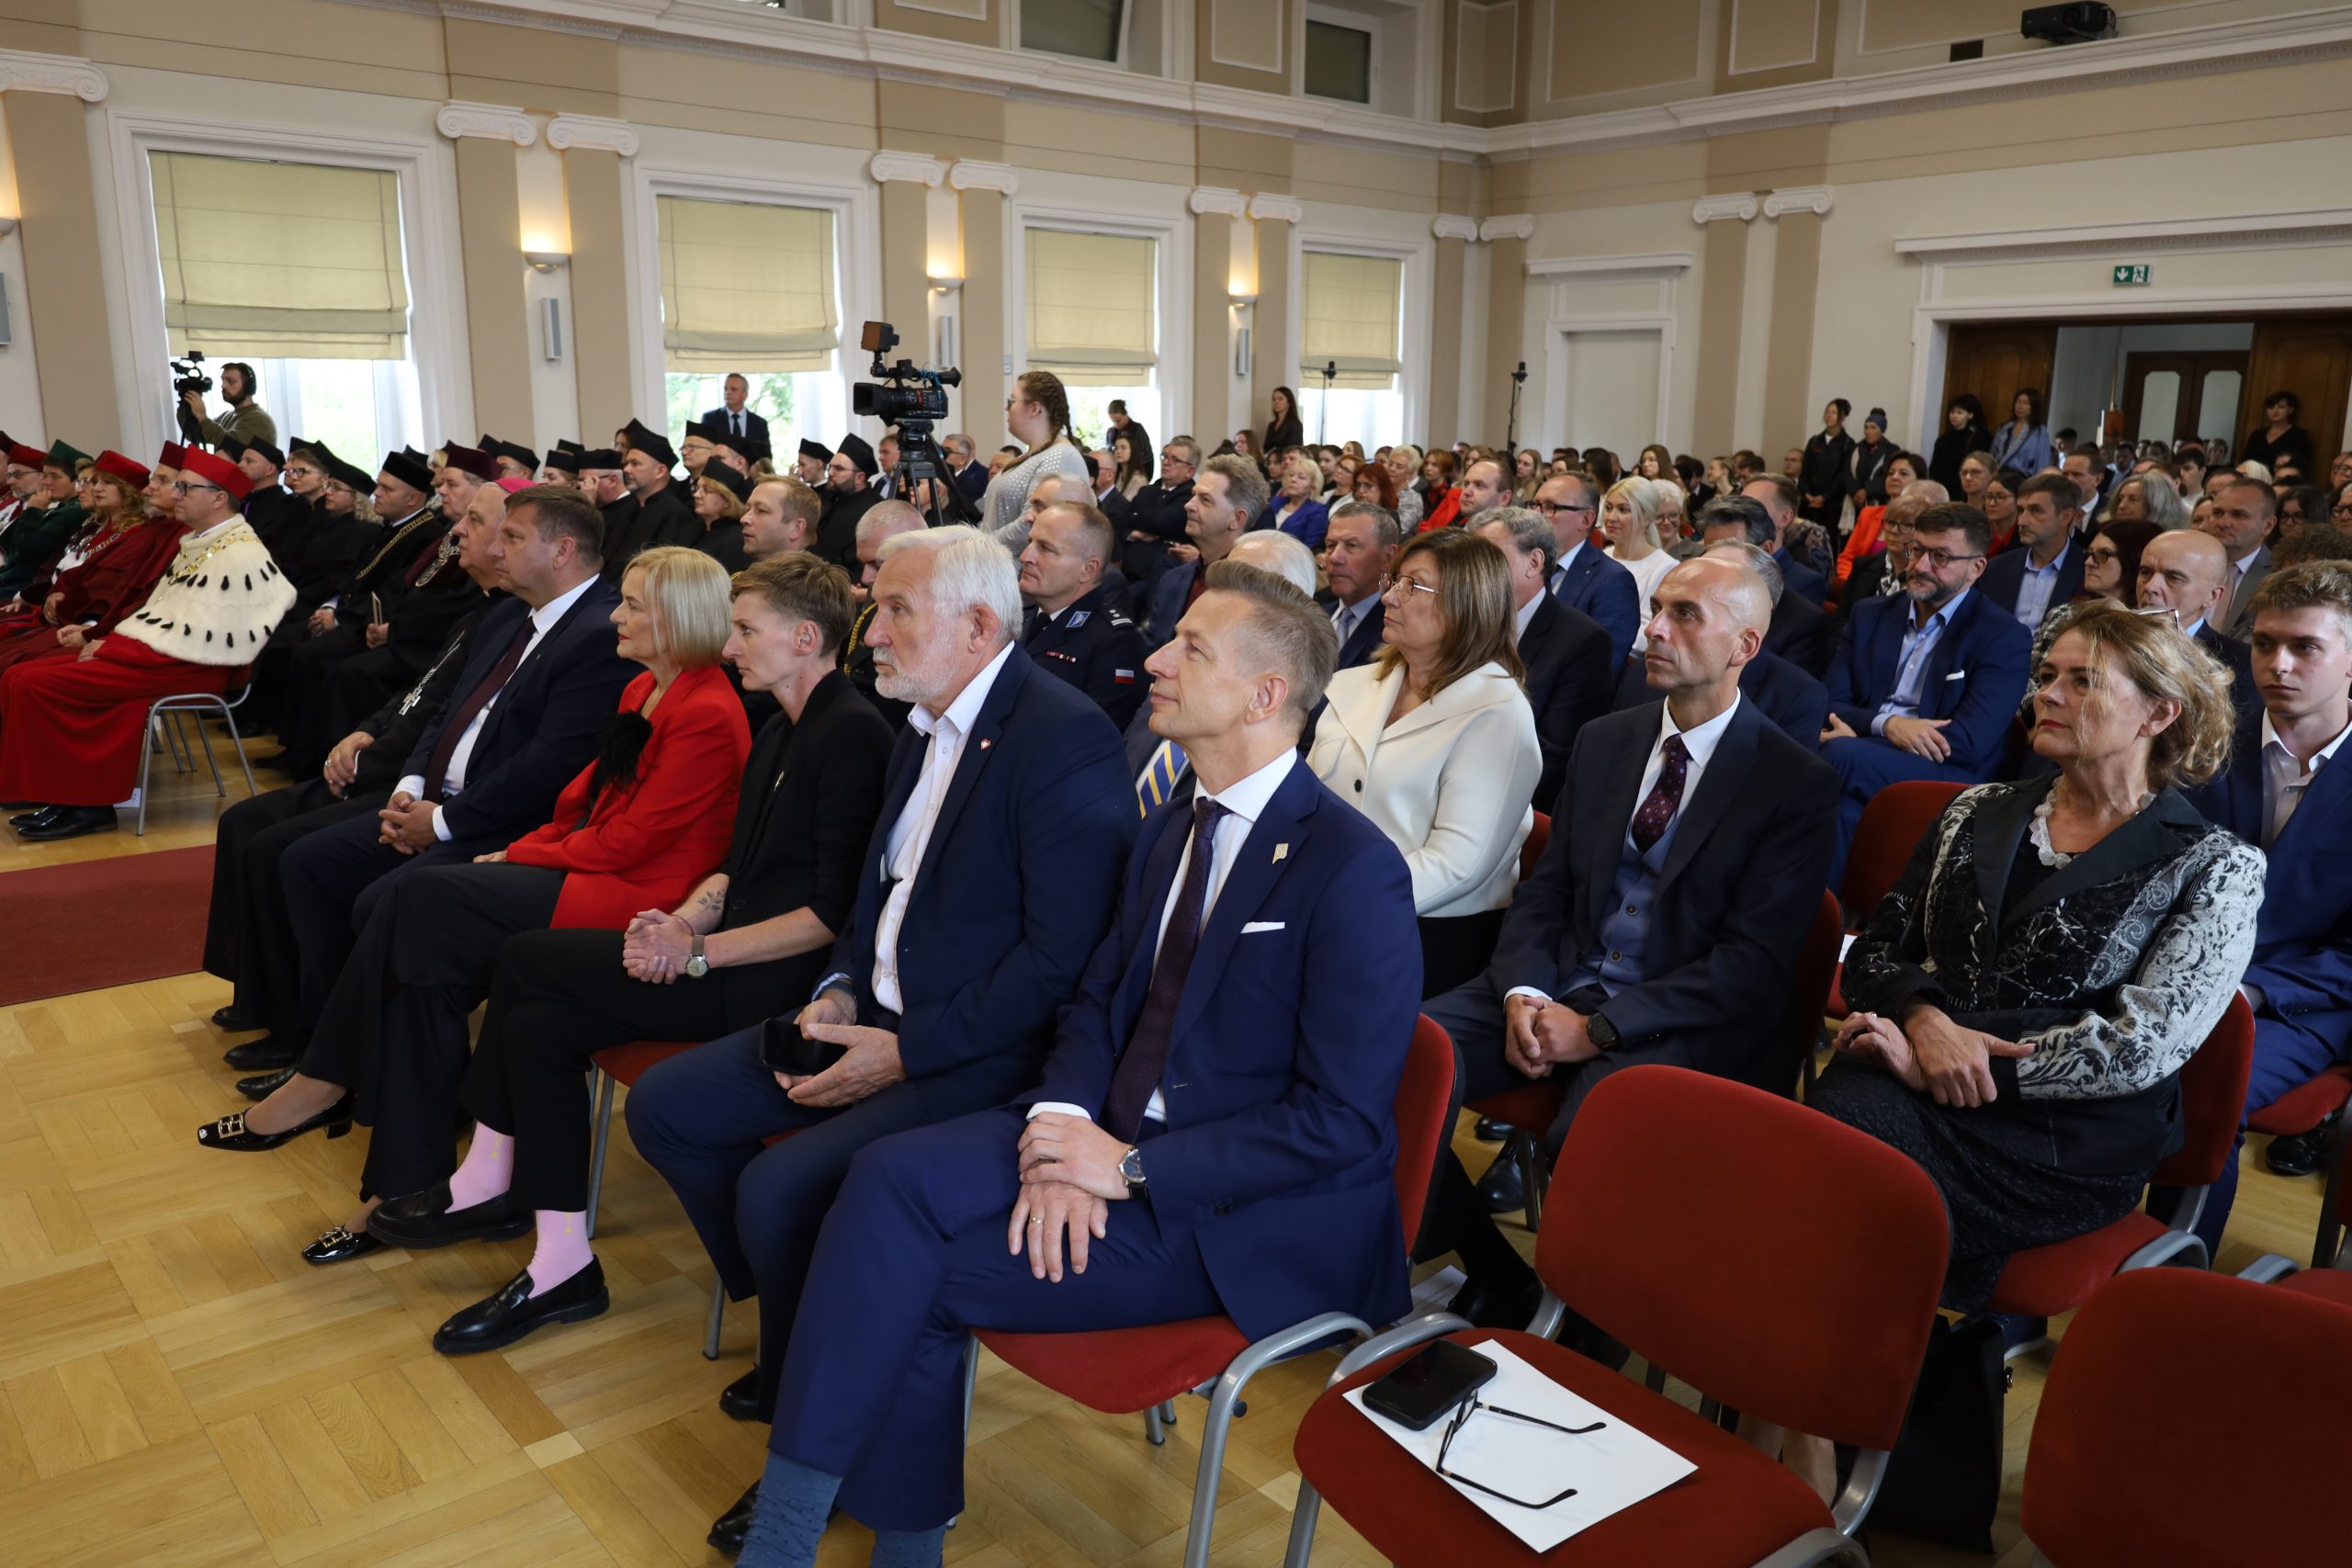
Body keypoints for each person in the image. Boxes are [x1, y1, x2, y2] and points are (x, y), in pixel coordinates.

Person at [724, 560, 1419, 1567]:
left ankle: (813, 1538)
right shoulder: (1171, 823)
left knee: (917, 1276)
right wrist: (1060, 1133)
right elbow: (1098, 1001)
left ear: (1264, 695)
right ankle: (820, 1530)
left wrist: (1127, 1169)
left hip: (1237, 1212)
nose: (1155, 660)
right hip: (1105, 1130)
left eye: (1191, 649)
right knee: (879, 1179)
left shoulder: (1351, 870)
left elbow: (1342, 1123)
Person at [624, 526, 1136, 1549]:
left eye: (897, 609)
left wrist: (905, 1049)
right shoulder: (923, 720)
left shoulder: (1061, 737)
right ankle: (817, 1344)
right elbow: (876, 894)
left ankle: (810, 1402)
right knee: (668, 1109)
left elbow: (1058, 962)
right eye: (877, 606)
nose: (873, 632)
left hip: (973, 1052)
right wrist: (837, 987)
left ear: (978, 626)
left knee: (780, 1192)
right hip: (870, 1011)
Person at [199, 549, 750, 1225]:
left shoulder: (707, 710)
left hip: (635, 894)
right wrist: (527, 847)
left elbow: (629, 843)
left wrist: (514, 851)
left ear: (676, 618)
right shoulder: (643, 688)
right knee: (424, 968)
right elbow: (581, 803)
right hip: (588, 866)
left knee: (414, 901)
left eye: (633, 606)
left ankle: (325, 1082)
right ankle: (402, 1178)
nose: (617, 616)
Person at [1420, 553, 1840, 1325]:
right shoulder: (1608, 739)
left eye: (1685, 615)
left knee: (1600, 1132)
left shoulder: (1794, 782)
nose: (1654, 630)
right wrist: (1523, 993)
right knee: (1389, 1058)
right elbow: (1548, 889)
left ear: (1744, 646)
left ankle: (1591, 1334)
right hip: (1560, 979)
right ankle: (1494, 1268)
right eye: (1657, 609)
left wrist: (1599, 1029)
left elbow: (1749, 964)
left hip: (1678, 1018)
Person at [1818, 602, 2258, 1314]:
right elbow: (1874, 948)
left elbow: (2141, 1047)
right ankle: (1851, 1366)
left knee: (1847, 1167)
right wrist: (1924, 1022)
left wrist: (1948, 1062)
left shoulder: (2216, 866)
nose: (2046, 694)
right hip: (1908, 1068)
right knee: (1831, 1141)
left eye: (2083, 680)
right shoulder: (1974, 809)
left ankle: (1834, 1368)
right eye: (2048, 675)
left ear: (2158, 713)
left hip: (2061, 1135)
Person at [257, 490, 635, 1070]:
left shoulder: (597, 633)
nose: (495, 549)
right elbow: (447, 712)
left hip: (507, 825)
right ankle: (321, 1046)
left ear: (562, 551)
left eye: (513, 537)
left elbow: (547, 768)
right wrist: (411, 787)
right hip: (437, 802)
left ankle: (364, 1069)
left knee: (383, 903)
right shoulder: (509, 613)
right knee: (308, 862)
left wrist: (440, 823)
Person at [200, 497, 506, 1055]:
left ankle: (305, 1030)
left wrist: (376, 762)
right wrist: (362, 732)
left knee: (281, 850)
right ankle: (262, 992)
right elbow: (421, 693)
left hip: (408, 783)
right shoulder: (486, 611)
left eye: (474, 521)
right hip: (390, 764)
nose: (456, 530)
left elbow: (446, 719)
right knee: (244, 821)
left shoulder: (506, 617)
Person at [0, 449, 292, 840]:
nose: (176, 494)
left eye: (185, 487)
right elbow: (160, 615)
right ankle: (65, 796)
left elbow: (197, 638)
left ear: (218, 498)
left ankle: (84, 805)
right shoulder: (201, 540)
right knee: (21, 675)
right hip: (164, 658)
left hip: (194, 667)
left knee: (35, 683)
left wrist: (111, 648)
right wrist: (108, 640)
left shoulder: (237, 553)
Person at [2186, 563, 2352, 1245]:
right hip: (2179, 968)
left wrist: (2250, 990)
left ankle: (2174, 1274)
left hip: (2304, 998)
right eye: (2264, 643)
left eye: (2305, 646)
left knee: (2204, 1088)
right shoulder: (2206, 741)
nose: (2278, 664)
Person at [1306, 529, 1538, 998]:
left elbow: (1457, 866)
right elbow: (1306, 798)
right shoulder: (1362, 682)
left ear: (1465, 605)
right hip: (1324, 901)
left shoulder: (1497, 712)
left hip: (1421, 932)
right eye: (1395, 580)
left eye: (1413, 586)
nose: (1389, 596)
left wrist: (1333, 902)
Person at [1821, 502, 2034, 881]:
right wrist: (1889, 726)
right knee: (1846, 812)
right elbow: (1830, 701)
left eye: (1941, 557)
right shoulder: (1871, 614)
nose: (1919, 566)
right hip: (1867, 752)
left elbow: (1969, 741)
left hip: (1952, 774)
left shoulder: (2003, 636)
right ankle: (1825, 913)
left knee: (1834, 753)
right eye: (1916, 549)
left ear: (1976, 568)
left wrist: (1865, 737)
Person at [1476, 508, 1613, 808]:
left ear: (1534, 562)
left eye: (1487, 559)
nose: (1473, 572)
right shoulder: (1465, 620)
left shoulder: (1582, 641)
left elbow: (1553, 756)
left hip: (1506, 801)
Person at [0, 452, 182, 673]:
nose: (95, 489)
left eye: (106, 483)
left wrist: (87, 622)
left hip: (91, 619)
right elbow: (61, 568)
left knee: (15, 663)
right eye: (94, 482)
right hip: (66, 612)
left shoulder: (144, 532)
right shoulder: (92, 524)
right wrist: (51, 594)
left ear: (127, 490)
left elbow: (114, 586)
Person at [1018, 500, 1147, 729]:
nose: (1026, 556)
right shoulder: (1021, 618)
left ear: (1088, 569)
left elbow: (1093, 735)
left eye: (1046, 548)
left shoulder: (1116, 643)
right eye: (1030, 543)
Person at [2133, 527, 2257, 724]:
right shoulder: (2105, 641)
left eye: (2173, 578)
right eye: (2145, 573)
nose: (2150, 586)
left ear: (2213, 596)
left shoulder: (2240, 664)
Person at [1143, 454, 1266, 650]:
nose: (1189, 505)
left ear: (1237, 519)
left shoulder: (1255, 592)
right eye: (1193, 495)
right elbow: (1151, 646)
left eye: (1205, 500)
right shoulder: (1174, 579)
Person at [1699, 494, 1833, 675]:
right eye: (1708, 552)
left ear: (1764, 551)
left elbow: (1783, 687)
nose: (1711, 564)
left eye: (1726, 553)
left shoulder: (1804, 621)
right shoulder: (1696, 601)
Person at [1533, 471, 1639, 664]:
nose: (1535, 515)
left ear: (1586, 520)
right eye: (1535, 505)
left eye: (1550, 507)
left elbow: (1601, 666)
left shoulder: (1612, 581)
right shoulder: (1529, 565)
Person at [982, 372, 1093, 550]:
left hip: (1017, 564)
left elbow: (1032, 526)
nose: (1006, 408)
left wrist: (980, 545)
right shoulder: (1035, 455)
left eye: (1012, 401)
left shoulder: (1060, 457)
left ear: (1035, 409)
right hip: (997, 560)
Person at [1981, 470, 2087, 630]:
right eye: (2021, 511)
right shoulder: (1997, 568)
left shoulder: (2087, 569)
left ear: (2065, 517)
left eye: (2036, 511)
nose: (2021, 521)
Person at [605, 422, 699, 574]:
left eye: (635, 464)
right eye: (627, 463)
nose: (626, 469)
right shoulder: (626, 508)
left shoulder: (675, 514)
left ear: (660, 471)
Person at [1323, 501, 1401, 672]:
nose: (1334, 557)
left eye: (1351, 545)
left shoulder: (1398, 630)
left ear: (1388, 557)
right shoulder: (1311, 616)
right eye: (1330, 545)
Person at [1600, 478, 1675, 649]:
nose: (1611, 517)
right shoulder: (1603, 556)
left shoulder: (1664, 568)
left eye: (1623, 510)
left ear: (1647, 518)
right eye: (1609, 508)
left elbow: (1645, 634)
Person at [1835, 454, 1923, 593]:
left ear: (1919, 481)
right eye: (1891, 473)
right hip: (1859, 590)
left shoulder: (1923, 520)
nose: (1894, 477)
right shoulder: (1868, 514)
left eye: (1903, 473)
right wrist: (1855, 585)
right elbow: (1847, 558)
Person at [2205, 477, 2278, 637]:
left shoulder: (2278, 576)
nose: (2223, 523)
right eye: (2217, 513)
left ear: (2268, 525)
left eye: (2238, 515)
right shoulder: (2188, 564)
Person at [183, 360, 276, 450]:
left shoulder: (259, 420)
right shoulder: (227, 416)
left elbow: (230, 445)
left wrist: (202, 417)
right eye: (223, 380)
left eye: (231, 381)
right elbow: (195, 435)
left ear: (248, 386)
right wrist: (186, 404)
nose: (223, 386)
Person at [1798, 399, 1855, 527]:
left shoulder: (1847, 443)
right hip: (1810, 501)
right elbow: (1805, 470)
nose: (1829, 415)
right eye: (1827, 412)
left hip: (1833, 504)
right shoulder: (1814, 441)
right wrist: (1807, 493)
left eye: (1834, 412)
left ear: (1842, 417)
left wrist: (1825, 497)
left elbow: (1843, 474)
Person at [2241, 390, 2313, 483]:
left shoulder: (2298, 434)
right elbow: (2246, 461)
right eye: (2271, 407)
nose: (2275, 411)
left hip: (2282, 481)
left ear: (2290, 410)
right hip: (2253, 480)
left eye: (2281, 407)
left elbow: (2296, 464)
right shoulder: (2257, 435)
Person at [1929, 393, 1994, 496]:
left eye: (1959, 413)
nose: (1954, 416)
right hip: (1942, 487)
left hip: (1965, 487)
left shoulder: (1980, 437)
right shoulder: (1943, 439)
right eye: (1952, 412)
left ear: (1970, 415)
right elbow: (1934, 467)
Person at [1266, 453, 1330, 548]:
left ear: (1313, 485)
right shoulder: (1274, 502)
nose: (1293, 479)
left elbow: (1311, 547)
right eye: (1291, 475)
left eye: (1301, 477)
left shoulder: (1318, 512)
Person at [1988, 387, 2053, 477]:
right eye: (2018, 402)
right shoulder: (2004, 429)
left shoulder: (2040, 432)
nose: (2020, 406)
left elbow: (2042, 462)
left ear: (2033, 407)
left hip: (2023, 478)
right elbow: (1992, 455)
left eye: (2025, 403)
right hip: (1999, 475)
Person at [705, 372, 773, 457]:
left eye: (733, 389)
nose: (728, 392)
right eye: (726, 389)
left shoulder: (759, 424)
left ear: (745, 394)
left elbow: (766, 457)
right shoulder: (710, 419)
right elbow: (705, 452)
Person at [1264, 384, 1305, 453]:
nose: (1276, 402)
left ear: (1289, 403)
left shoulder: (1295, 424)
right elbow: (1266, 448)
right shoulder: (1271, 425)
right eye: (1274, 399)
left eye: (1280, 399)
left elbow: (1294, 449)